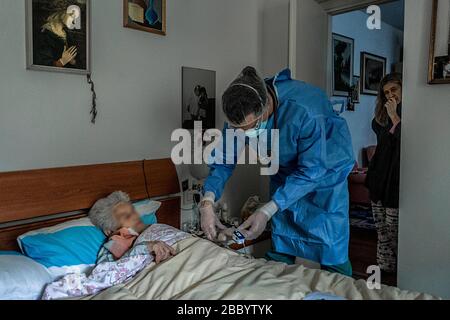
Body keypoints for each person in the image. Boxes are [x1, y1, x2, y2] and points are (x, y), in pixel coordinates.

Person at [199, 67, 355, 276]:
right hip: (284, 177)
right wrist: (207, 203)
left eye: (251, 128)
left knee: (331, 249)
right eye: (240, 130)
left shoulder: (306, 109)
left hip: (325, 181)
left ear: (265, 110)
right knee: (282, 240)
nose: (246, 135)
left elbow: (313, 170)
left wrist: (267, 210)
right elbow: (223, 161)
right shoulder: (240, 114)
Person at [365, 73, 402, 273]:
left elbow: (403, 141)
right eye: (386, 92)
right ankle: (386, 269)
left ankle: (404, 270)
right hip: (378, 177)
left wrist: (396, 117)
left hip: (396, 181)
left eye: (394, 90)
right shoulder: (380, 118)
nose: (390, 95)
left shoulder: (409, 115)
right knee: (381, 228)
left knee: (394, 227)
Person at [89, 191, 176, 264]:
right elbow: (106, 273)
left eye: (133, 211)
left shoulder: (152, 228)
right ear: (109, 231)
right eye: (126, 217)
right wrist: (147, 247)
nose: (135, 217)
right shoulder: (114, 244)